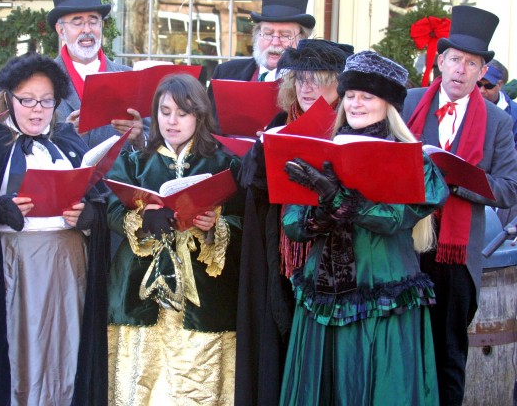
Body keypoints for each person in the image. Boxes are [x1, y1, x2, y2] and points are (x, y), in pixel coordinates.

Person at [280, 50, 448, 405]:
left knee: (382, 385)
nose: (355, 104)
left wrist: (338, 199)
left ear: (387, 104)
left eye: (366, 97)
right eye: (351, 95)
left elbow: (395, 220)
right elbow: (293, 225)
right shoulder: (318, 148)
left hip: (383, 288)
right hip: (323, 292)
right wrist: (323, 206)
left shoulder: (413, 158)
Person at [0, 52, 111, 405]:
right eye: (28, 100)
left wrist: (87, 217)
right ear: (9, 99)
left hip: (68, 269)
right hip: (12, 270)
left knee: (66, 352)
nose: (37, 110)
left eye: (47, 101)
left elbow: (99, 200)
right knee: (20, 351)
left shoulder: (68, 142)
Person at [402, 5, 517, 406]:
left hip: (456, 252)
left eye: (472, 63)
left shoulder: (498, 122)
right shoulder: (409, 102)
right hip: (403, 242)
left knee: (448, 354)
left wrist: (458, 182)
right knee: (400, 346)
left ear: (482, 71)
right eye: (455, 59)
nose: (461, 70)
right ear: (441, 61)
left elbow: (508, 189)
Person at [105, 73, 244, 405]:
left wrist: (215, 223)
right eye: (165, 111)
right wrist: (139, 217)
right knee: (142, 383)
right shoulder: (135, 159)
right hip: (140, 289)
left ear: (199, 114)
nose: (172, 121)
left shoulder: (225, 161)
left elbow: (246, 222)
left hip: (204, 296)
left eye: (182, 113)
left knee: (196, 383)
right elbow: (110, 210)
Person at [234, 39, 353, 405]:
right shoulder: (278, 122)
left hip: (330, 261)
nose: (305, 87)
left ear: (339, 83)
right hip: (278, 251)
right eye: (300, 78)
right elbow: (249, 188)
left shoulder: (349, 127)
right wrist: (260, 153)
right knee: (275, 342)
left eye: (316, 78)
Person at [48, 0, 145, 150]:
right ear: (61, 31)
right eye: (77, 22)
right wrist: (63, 137)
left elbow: (154, 145)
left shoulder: (129, 77)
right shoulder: (44, 80)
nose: (87, 29)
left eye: (93, 21)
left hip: (116, 177)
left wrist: (140, 139)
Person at [208, 0, 315, 115]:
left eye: (285, 35)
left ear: (302, 39)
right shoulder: (225, 73)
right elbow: (207, 126)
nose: (275, 42)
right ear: (257, 34)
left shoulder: (312, 85)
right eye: (268, 33)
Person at [477, 59, 517, 148]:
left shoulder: (514, 113)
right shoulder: (461, 104)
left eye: (488, 86)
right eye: (478, 84)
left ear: (500, 85)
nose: (481, 90)